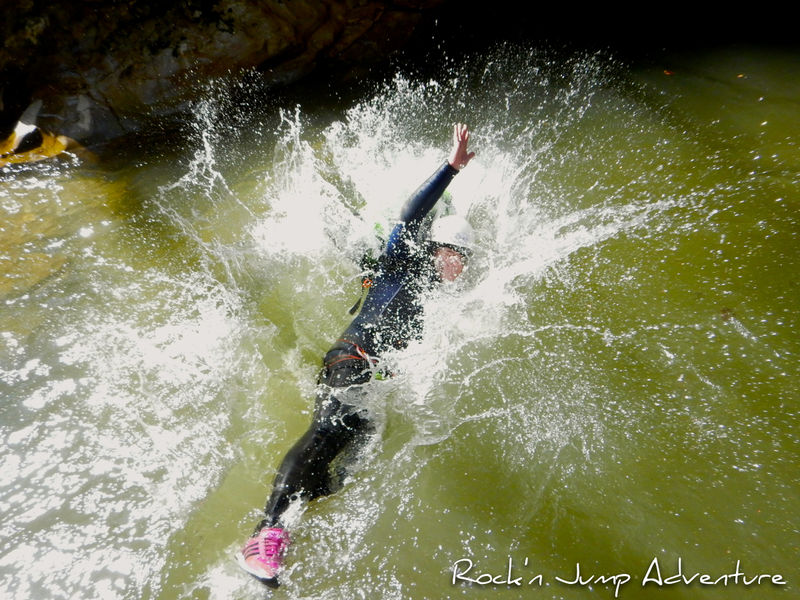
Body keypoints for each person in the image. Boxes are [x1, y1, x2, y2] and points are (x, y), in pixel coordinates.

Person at [238, 123, 476, 587]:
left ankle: (288, 525)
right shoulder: (400, 261)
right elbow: (411, 214)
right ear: (440, 249)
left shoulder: (431, 302)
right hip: (350, 359)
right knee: (327, 430)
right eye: (459, 256)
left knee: (345, 465)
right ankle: (266, 532)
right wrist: (450, 168)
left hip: (371, 379)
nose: (462, 267)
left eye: (465, 260)